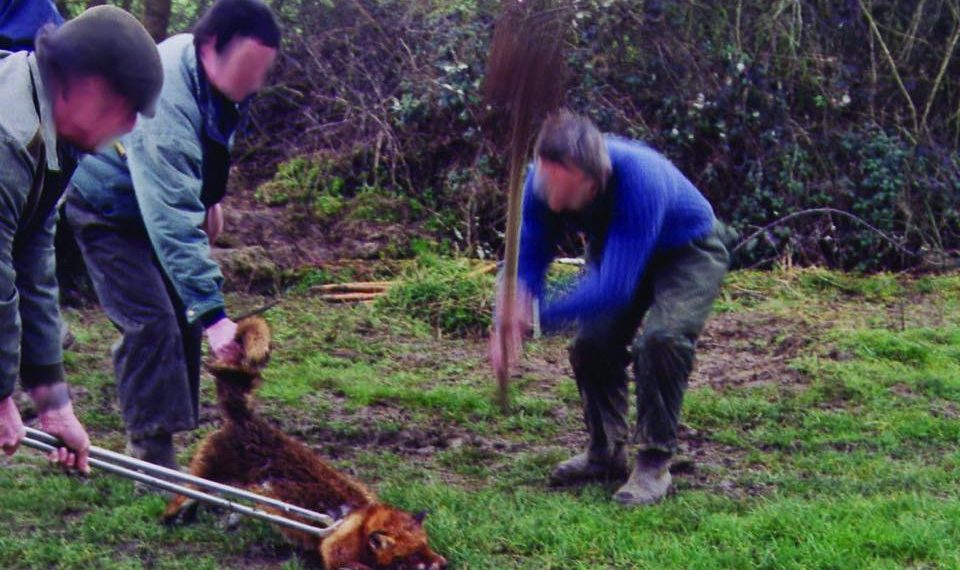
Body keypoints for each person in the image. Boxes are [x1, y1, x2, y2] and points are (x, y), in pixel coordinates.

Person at [65, 0, 280, 470]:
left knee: (184, 315)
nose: (255, 83)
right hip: (105, 206)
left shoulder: (215, 80)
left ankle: (166, 433)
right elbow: (170, 219)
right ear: (211, 47)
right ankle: (151, 460)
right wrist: (215, 317)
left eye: (262, 72)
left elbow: (210, 146)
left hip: (151, 201)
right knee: (151, 321)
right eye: (249, 70)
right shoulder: (163, 96)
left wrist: (211, 200)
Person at [490, 110, 732, 506]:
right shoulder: (541, 183)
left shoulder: (640, 179)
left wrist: (534, 317)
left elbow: (614, 289)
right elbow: (529, 257)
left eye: (564, 192)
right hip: (618, 248)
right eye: (547, 186)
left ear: (596, 179)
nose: (553, 201)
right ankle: (605, 452)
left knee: (662, 340)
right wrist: (511, 305)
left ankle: (654, 463)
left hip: (687, 250)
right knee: (592, 344)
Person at [0, 6, 163, 473]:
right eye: (127, 111)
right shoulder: (10, 136)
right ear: (88, 86)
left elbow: (32, 265)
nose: (129, 128)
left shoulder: (54, 137)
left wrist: (53, 404)